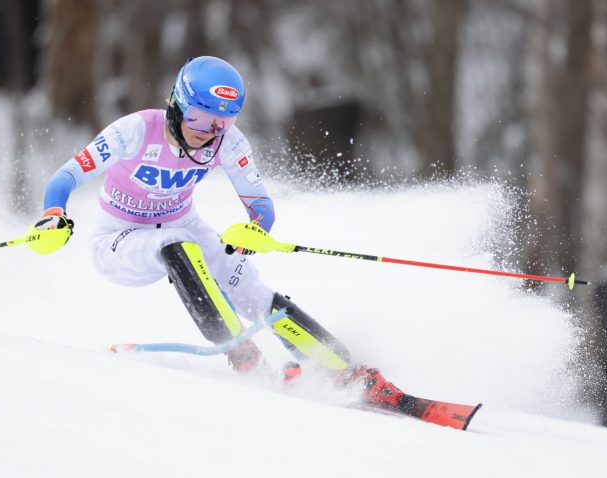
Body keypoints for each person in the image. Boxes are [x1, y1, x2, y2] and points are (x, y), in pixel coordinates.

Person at [29, 56, 405, 410]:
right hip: (118, 240)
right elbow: (66, 175)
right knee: (175, 244)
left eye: (222, 124)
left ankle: (337, 364)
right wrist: (53, 213)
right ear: (176, 104)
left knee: (247, 284)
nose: (208, 133)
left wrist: (256, 229)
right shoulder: (135, 130)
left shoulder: (229, 142)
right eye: (199, 119)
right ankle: (242, 354)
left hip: (184, 225)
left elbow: (260, 204)